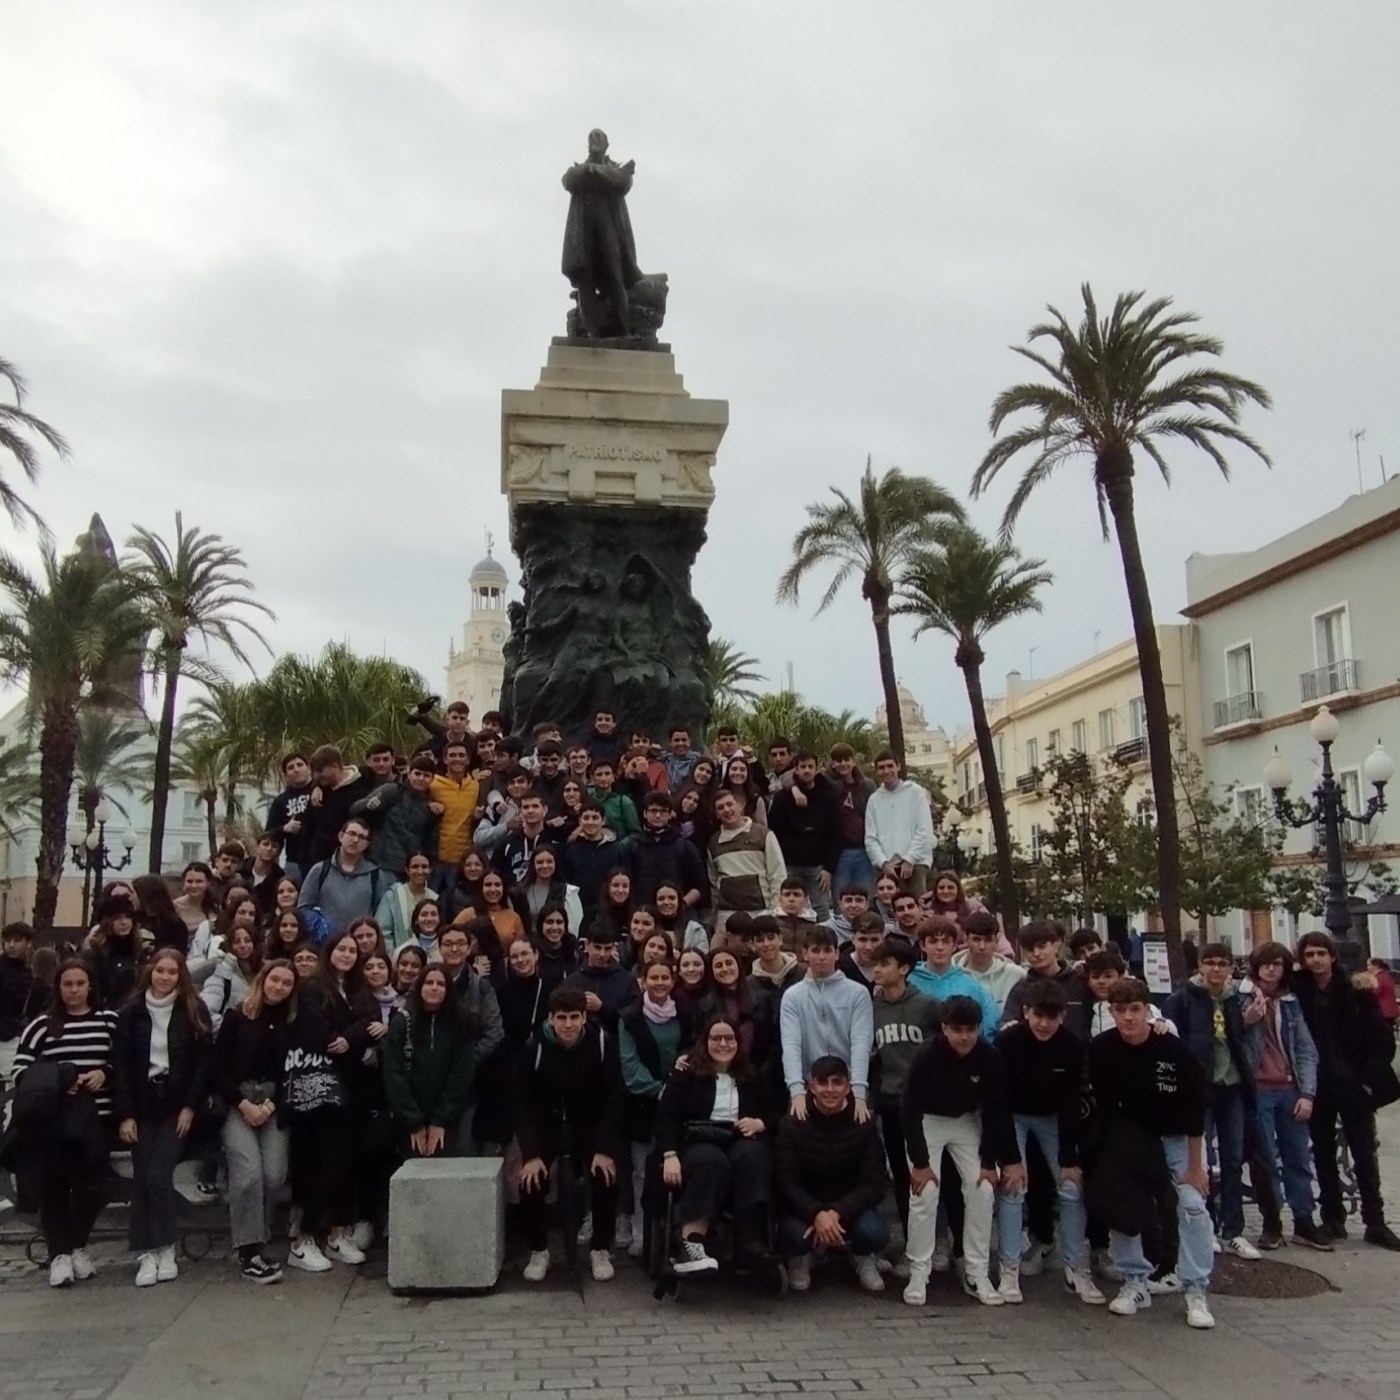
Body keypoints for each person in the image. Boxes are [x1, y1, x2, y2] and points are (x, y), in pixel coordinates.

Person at [1089, 978, 1216, 1329]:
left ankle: (1195, 1288)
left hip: (1179, 1137)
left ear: (1148, 1010)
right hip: (1131, 1135)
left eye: (1135, 1009)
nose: (1128, 1017)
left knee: (1192, 1204)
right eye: (1120, 1010)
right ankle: (1134, 1281)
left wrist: (1195, 1166)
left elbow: (1196, 1111)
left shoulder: (1174, 1050)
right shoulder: (1101, 1049)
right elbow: (1105, 1107)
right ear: (1111, 1011)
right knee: (1121, 1200)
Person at [901, 994, 1017, 1307]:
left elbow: (996, 1109)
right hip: (928, 1120)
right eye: (957, 1030)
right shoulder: (926, 1056)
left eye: (970, 1030)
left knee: (983, 1189)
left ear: (979, 1028)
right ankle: (919, 1271)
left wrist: (989, 1162)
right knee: (925, 1192)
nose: (964, 1037)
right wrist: (921, 1163)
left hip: (965, 1121)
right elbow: (909, 1109)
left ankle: (976, 1271)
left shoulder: (989, 1056)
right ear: (944, 1028)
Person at [993, 979, 1103, 1305]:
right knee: (1013, 1187)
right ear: (1026, 1012)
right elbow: (998, 1101)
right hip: (1013, 1116)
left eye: (1052, 1017)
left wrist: (1069, 1159)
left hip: (1052, 1118)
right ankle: (1009, 1268)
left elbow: (1070, 1104)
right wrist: (1010, 1158)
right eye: (1038, 1015)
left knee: (1071, 1188)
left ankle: (1076, 1267)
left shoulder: (1071, 1046)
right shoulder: (1007, 1042)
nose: (1044, 1024)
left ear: (1063, 1017)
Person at [10, 958, 116, 1288]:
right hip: (56, 1122)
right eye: (67, 984)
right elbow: (20, 1071)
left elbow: (125, 1062)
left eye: (80, 983)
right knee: (54, 1187)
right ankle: (59, 1254)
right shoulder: (42, 1025)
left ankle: (77, 1245)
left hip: (99, 1119)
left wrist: (104, 1073)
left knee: (92, 1187)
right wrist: (60, 1080)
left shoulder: (108, 1021)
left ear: (90, 985)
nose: (74, 990)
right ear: (58, 987)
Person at [1292, 931, 1400, 1249]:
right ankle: (1333, 1218)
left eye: (1320, 953)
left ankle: (1375, 1222)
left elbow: (1382, 1040)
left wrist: (1366, 1081)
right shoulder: (1299, 990)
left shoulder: (1355, 990)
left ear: (1332, 956)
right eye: (1309, 954)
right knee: (1323, 1153)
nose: (1316, 960)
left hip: (1353, 1083)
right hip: (1318, 1084)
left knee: (1364, 1153)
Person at [111, 949, 213, 1287]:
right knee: (142, 1178)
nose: (165, 977)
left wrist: (190, 1106)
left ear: (180, 976)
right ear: (150, 972)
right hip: (143, 1106)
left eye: (172, 972)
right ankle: (146, 1252)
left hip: (176, 1105)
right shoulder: (132, 1013)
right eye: (160, 971)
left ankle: (166, 1246)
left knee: (158, 1176)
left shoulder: (193, 1009)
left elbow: (202, 1065)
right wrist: (126, 1115)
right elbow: (121, 1067)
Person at [515, 984, 625, 1283]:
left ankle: (600, 1248)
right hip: (546, 1123)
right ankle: (539, 1249)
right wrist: (531, 1154)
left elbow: (615, 1096)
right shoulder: (534, 1047)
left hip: (589, 1122)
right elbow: (520, 1102)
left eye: (574, 1017)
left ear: (584, 1017)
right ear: (550, 1018)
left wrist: (604, 1148)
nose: (568, 1025)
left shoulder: (601, 1043)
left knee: (606, 1176)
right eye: (561, 1018)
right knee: (530, 1181)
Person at [1163, 941, 1262, 1261]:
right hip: (1199, 1088)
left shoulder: (1234, 999)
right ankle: (1204, 1226)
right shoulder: (1183, 999)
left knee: (1233, 1160)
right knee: (1200, 1161)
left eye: (1222, 963)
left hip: (1232, 1085)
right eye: (1210, 963)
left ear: (1231, 968)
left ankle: (1233, 1230)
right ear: (1200, 966)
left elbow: (1237, 1041)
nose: (1216, 969)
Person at [286, 932, 378, 1271]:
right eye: (342, 948)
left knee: (348, 1163)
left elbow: (371, 1022)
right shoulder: (313, 988)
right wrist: (354, 1034)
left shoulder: (359, 988)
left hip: (355, 1086)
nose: (347, 954)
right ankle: (304, 1238)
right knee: (330, 1163)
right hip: (324, 1088)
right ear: (331, 951)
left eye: (353, 950)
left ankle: (339, 1233)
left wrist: (349, 1036)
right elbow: (319, 1035)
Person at [656, 1015, 773, 1274]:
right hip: (696, 1140)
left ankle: (751, 1241)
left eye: (729, 1038)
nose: (723, 1044)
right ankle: (691, 1242)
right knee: (713, 1162)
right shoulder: (687, 1073)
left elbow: (775, 1111)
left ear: (738, 1042)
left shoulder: (751, 1075)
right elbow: (666, 1115)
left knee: (754, 1155)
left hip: (738, 1138)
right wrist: (669, 1154)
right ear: (704, 1041)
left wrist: (760, 1122)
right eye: (716, 1038)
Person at [1237, 942, 1332, 1251]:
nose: (1271, 969)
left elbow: (1305, 1050)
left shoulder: (1290, 1001)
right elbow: (1227, 1040)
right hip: (1258, 1090)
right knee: (1264, 1160)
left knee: (1298, 1157)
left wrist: (1307, 1093)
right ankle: (1272, 1222)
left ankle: (1304, 1221)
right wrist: (1246, 1019)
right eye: (1265, 963)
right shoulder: (1239, 996)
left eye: (1277, 964)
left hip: (1289, 1089)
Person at [210, 959, 298, 1283]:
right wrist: (243, 1103)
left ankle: (259, 1234)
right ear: (263, 980)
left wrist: (272, 1104)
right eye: (275, 980)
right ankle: (249, 1251)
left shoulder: (291, 1023)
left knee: (274, 1174)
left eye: (286, 983)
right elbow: (217, 1067)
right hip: (239, 1100)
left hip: (274, 1100)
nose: (279, 987)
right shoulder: (237, 1017)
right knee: (248, 1173)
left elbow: (294, 1071)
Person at [774, 1055, 889, 1293]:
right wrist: (816, 1213)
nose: (829, 1089)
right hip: (805, 1211)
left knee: (874, 1233)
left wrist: (837, 1212)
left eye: (837, 1082)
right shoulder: (791, 1124)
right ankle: (805, 1256)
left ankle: (862, 1256)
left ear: (848, 1087)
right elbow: (785, 1182)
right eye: (822, 1082)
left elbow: (875, 1184)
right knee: (793, 1236)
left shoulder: (865, 1123)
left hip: (850, 1210)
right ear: (811, 1085)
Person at [870, 938, 941, 1252]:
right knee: (901, 1175)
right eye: (876, 964)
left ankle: (939, 1241)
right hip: (889, 1101)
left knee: (929, 1172)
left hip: (924, 1104)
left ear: (904, 969)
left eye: (884, 964)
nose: (877, 970)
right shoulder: (872, 1006)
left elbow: (946, 1044)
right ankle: (913, 1246)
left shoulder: (926, 1004)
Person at [617, 960, 691, 1253]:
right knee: (641, 1172)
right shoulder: (629, 1017)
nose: (659, 983)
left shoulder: (684, 1012)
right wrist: (660, 1091)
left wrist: (677, 1084)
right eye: (654, 978)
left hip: (679, 1106)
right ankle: (640, 1233)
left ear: (673, 981)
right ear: (642, 981)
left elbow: (691, 1048)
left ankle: (677, 1234)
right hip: (642, 1104)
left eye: (665, 977)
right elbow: (629, 1064)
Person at [779, 927, 873, 1123]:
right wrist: (796, 1090)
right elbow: (791, 1045)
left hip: (848, 1085)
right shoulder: (792, 996)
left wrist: (858, 1090)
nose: (821, 957)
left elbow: (861, 1043)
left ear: (837, 953)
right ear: (805, 954)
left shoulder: (858, 993)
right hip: (808, 1086)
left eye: (827, 950)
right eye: (815, 950)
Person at [381, 965, 477, 1158]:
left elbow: (461, 1074)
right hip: (408, 1119)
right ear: (419, 987)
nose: (434, 988)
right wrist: (414, 1122)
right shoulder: (402, 1022)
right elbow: (394, 1074)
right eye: (429, 983)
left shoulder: (461, 1023)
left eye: (440, 984)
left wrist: (440, 1120)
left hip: (448, 1117)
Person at [435, 924, 505, 1152]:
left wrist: (467, 1061)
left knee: (465, 1148)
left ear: (468, 948)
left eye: (460, 944)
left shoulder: (481, 987)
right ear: (439, 948)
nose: (454, 949)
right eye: (448, 944)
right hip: (433, 1081)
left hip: (471, 1083)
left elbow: (494, 1032)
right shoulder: (427, 983)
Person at [766, 750, 840, 922]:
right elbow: (774, 832)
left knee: (821, 908)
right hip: (789, 864)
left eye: (810, 766)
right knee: (789, 908)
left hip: (817, 866)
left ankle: (823, 939)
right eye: (803, 766)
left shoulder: (828, 796)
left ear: (816, 769)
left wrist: (829, 868)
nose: (807, 770)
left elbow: (834, 833)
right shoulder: (782, 798)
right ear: (796, 769)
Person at [350, 756, 440, 882]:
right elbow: (354, 811)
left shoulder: (431, 807)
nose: (421, 778)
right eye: (417, 773)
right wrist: (368, 806)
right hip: (380, 863)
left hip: (409, 870)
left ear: (432, 779)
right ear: (409, 772)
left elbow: (430, 842)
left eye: (426, 775)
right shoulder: (391, 791)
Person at [909, 917, 998, 1039]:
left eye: (946, 941)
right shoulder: (909, 981)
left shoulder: (971, 985)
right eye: (933, 941)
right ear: (922, 945)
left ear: (955, 945)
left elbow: (988, 1029)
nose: (940, 947)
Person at [1001, 920, 1092, 1040]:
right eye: (1030, 949)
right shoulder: (1020, 990)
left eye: (1042, 946)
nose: (1036, 953)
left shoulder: (1081, 981)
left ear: (1056, 944)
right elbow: (1008, 1027)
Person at [298, 818, 387, 936]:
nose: (355, 840)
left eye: (361, 837)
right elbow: (303, 909)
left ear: (367, 844)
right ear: (341, 836)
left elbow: (381, 916)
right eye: (352, 834)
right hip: (324, 942)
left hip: (359, 942)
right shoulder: (320, 870)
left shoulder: (375, 876)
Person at [863, 751, 933, 897]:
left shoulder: (915, 792)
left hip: (915, 864)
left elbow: (924, 830)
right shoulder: (874, 800)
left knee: (916, 905)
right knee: (887, 907)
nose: (886, 771)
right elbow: (870, 838)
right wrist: (883, 863)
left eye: (890, 766)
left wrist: (910, 859)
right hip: (886, 866)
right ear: (876, 771)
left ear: (898, 766)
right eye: (881, 767)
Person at [626, 791, 706, 910]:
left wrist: (682, 904)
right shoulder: (633, 846)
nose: (658, 815)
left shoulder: (684, 846)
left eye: (663, 811)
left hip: (677, 914)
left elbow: (700, 883)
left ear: (670, 815)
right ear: (645, 813)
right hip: (642, 913)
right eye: (653, 811)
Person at [304, 745, 376, 867]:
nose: (316, 775)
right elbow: (308, 825)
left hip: (346, 861)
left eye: (321, 771)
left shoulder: (360, 791)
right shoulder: (320, 789)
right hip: (316, 861)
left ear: (335, 766)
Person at [563, 927, 641, 1030]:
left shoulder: (627, 981)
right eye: (597, 948)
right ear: (587, 945)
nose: (602, 954)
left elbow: (635, 1018)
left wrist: (602, 1008)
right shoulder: (571, 982)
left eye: (607, 949)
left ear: (613, 948)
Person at [953, 910, 1026, 1014]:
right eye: (976, 939)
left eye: (988, 940)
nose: (982, 947)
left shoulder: (1016, 975)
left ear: (996, 942)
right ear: (966, 940)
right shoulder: (951, 974)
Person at [83, 891, 147, 1009]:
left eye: (128, 917)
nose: (124, 922)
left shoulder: (138, 950)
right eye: (117, 918)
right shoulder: (95, 952)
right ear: (106, 921)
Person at [0, 921, 42, 1098]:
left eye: (17, 940)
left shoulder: (33, 972)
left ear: (28, 943)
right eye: (7, 941)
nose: (11, 945)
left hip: (19, 1036)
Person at [827, 744, 875, 896]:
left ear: (853, 761)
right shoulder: (826, 784)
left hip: (864, 850)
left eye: (847, 759)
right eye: (838, 760)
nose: (843, 764)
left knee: (866, 896)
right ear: (832, 763)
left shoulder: (867, 785)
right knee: (840, 898)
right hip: (839, 852)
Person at [563, 803, 625, 921]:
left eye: (595, 818)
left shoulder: (617, 848)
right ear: (580, 821)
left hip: (610, 911)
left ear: (603, 820)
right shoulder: (572, 849)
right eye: (586, 818)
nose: (590, 822)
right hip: (579, 910)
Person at [201, 922, 262, 1033]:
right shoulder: (222, 974)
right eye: (237, 942)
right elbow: (205, 1012)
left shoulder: (266, 974)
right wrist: (231, 1031)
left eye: (247, 940)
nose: (242, 945)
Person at [429, 740, 481, 871]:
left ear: (468, 760)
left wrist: (477, 817)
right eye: (452, 755)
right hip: (436, 858)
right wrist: (429, 805)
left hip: (464, 860)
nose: (457, 759)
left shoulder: (475, 787)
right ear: (445, 759)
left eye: (461, 755)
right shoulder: (433, 784)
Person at [265, 752, 316, 881]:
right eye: (291, 767)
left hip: (324, 858)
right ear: (285, 775)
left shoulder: (322, 789)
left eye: (300, 765)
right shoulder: (281, 801)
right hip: (295, 862)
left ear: (309, 768)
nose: (296, 769)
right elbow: (268, 833)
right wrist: (284, 829)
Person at [511, 845, 583, 936]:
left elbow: (575, 926)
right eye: (540, 862)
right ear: (533, 865)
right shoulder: (519, 892)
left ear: (555, 864)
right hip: (528, 942)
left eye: (549, 861)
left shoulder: (568, 892)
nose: (545, 866)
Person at [375, 852, 440, 950]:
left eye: (424, 867)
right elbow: (383, 931)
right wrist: (394, 956)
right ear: (407, 870)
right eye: (415, 867)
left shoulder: (434, 898)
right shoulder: (393, 896)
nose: (420, 871)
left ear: (430, 870)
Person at [920, 870, 988, 940]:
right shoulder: (924, 908)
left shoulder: (973, 907)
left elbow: (990, 929)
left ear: (958, 889)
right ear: (935, 890)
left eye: (950, 887)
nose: (946, 891)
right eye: (941, 888)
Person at [749, 916, 802, 998]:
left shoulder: (802, 974)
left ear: (780, 939)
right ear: (752, 945)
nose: (766, 944)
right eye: (760, 940)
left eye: (771, 938)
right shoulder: (749, 985)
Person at [587, 760, 640, 839]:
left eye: (607, 774)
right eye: (599, 774)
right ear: (592, 778)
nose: (603, 778)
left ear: (613, 777)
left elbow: (636, 833)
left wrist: (620, 845)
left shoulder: (624, 802)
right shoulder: (588, 799)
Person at [239, 833, 286, 920]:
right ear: (257, 847)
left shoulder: (280, 879)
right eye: (265, 844)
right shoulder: (241, 868)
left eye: (274, 846)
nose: (269, 849)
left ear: (279, 853)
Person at [652, 881, 708, 954]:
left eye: (671, 898)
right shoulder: (648, 928)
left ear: (679, 902)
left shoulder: (695, 930)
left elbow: (703, 956)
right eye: (661, 899)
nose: (666, 902)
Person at [836, 913, 883, 994]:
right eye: (862, 940)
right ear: (853, 939)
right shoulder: (839, 967)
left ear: (882, 940)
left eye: (874, 940)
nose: (868, 947)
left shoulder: (893, 966)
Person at [770, 878, 818, 955]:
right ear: (780, 899)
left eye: (797, 895)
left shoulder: (814, 927)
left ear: (806, 900)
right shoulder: (771, 924)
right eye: (787, 895)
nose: (791, 899)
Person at [719, 754, 767, 824]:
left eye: (742, 770)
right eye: (734, 769)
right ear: (728, 772)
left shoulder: (755, 798)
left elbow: (762, 827)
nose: (738, 772)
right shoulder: (719, 796)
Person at [1367, 956, 1398, 1044]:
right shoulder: (1387, 976)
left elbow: (1376, 991)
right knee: (1389, 1034)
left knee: (1383, 1035)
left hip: (1383, 1010)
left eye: (1369, 965)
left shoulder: (1377, 977)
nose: (1367, 968)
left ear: (1375, 966)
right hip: (1391, 1009)